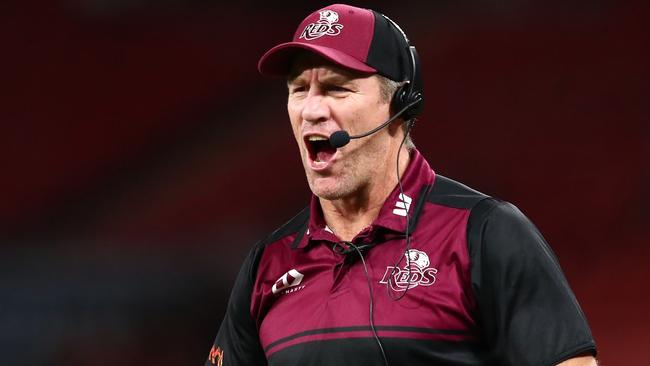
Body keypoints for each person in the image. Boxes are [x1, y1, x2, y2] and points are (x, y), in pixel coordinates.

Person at [205, 4, 597, 366]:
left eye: (337, 88)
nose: (311, 109)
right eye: (298, 89)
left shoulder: (485, 233)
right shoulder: (268, 263)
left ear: (400, 104)